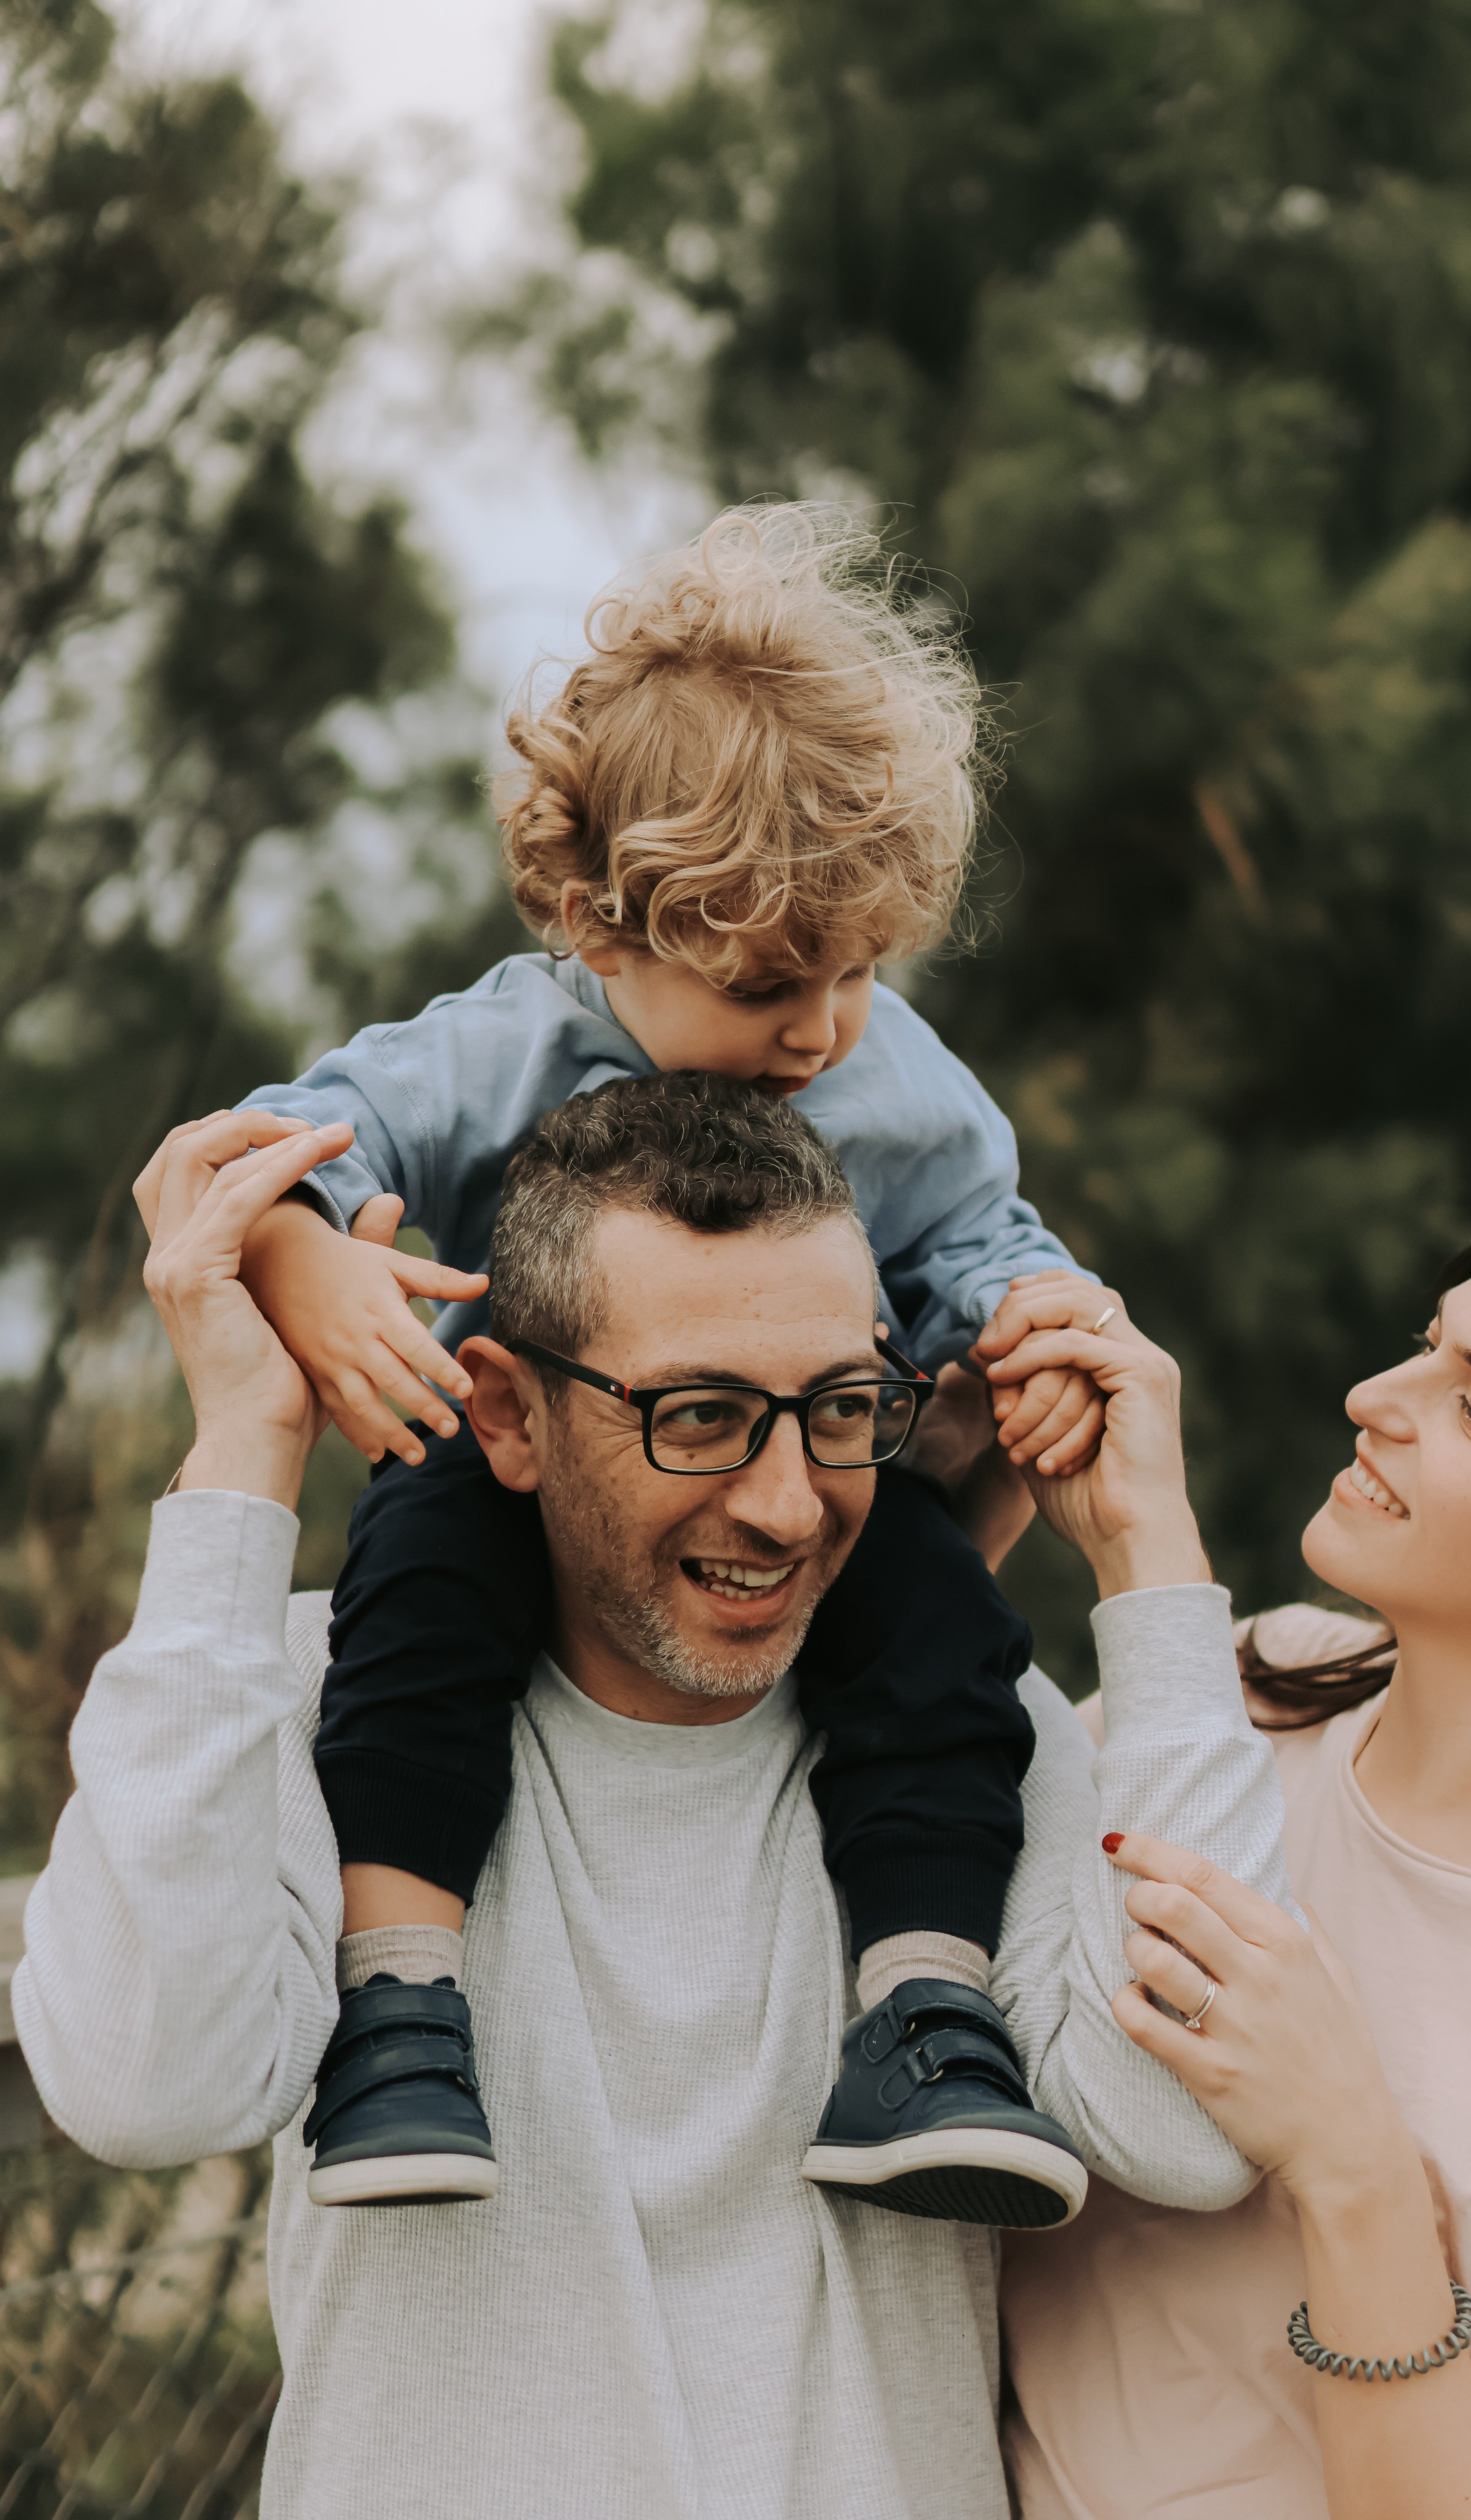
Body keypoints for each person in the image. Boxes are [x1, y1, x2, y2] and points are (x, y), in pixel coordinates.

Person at [18, 1076, 1292, 2520]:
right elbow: (141, 2081)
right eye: (699, 1416)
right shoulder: (308, 1695)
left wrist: (1152, 1558)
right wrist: (246, 1446)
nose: (787, 1503)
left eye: (837, 1412)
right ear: (503, 1414)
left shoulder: (961, 1736)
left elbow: (1188, 2132)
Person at [221, 502, 1113, 2215]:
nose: (826, 1027)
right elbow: (268, 1147)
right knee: (411, 1608)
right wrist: (308, 1263)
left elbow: (985, 1239)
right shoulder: (503, 1048)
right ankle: (400, 2006)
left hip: (794, 1500)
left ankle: (925, 2005)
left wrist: (1034, 1332)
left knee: (944, 1634)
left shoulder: (892, 1080)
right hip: (526, 1481)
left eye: (862, 968)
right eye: (778, 977)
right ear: (604, 919)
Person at [1000, 1177, 1471, 2519]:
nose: (1378, 1395)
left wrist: (1351, 2163)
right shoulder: (1257, 1683)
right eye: (1425, 1341)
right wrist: (1116, 1540)